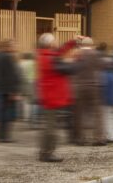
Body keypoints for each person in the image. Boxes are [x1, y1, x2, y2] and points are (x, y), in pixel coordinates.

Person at [36, 33, 77, 162]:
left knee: (51, 126)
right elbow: (66, 68)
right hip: (52, 97)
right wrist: (76, 61)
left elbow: (60, 51)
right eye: (55, 41)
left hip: (51, 96)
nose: (57, 42)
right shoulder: (48, 58)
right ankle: (47, 153)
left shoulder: (47, 55)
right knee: (50, 128)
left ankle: (46, 151)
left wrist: (72, 42)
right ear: (50, 44)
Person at [0, 39, 21, 143]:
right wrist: (12, 92)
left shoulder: (0, 56)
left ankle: (1, 135)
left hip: (2, 88)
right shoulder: (8, 57)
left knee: (3, 112)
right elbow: (10, 76)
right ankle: (4, 136)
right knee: (7, 114)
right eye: (13, 45)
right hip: (7, 90)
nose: (15, 47)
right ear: (8, 47)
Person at [99, 43, 113, 144]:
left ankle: (109, 136)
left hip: (106, 100)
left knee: (106, 118)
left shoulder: (103, 75)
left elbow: (103, 88)